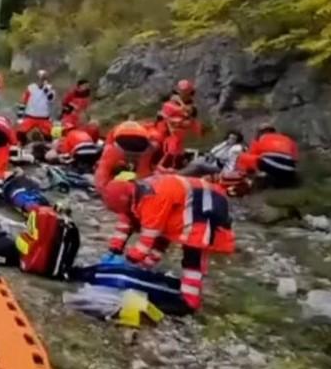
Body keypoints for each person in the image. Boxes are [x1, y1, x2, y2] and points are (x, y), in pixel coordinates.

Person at [101, 176, 236, 312]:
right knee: (163, 235)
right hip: (190, 201)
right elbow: (125, 222)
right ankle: (146, 269)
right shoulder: (134, 194)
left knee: (193, 255)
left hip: (205, 207)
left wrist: (129, 261)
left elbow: (147, 239)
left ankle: (189, 302)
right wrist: (115, 249)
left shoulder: (152, 198)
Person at [95, 120, 156, 193]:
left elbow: (107, 151)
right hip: (144, 145)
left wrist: (101, 187)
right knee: (143, 174)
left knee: (104, 172)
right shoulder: (143, 128)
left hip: (124, 142)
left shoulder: (113, 136)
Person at [156, 80, 202, 170]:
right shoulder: (170, 104)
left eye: (186, 93)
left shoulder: (190, 106)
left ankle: (172, 166)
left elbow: (190, 118)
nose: (184, 95)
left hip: (178, 134)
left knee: (176, 149)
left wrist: (182, 118)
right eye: (182, 92)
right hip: (167, 132)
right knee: (169, 147)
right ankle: (164, 165)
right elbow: (164, 116)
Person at [236, 124, 300, 187]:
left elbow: (251, 154)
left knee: (243, 157)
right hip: (290, 169)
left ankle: (246, 181)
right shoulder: (288, 139)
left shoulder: (260, 139)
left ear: (260, 132)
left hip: (270, 165)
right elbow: (295, 159)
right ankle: (281, 180)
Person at [180, 130, 245, 179]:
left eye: (233, 139)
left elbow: (232, 163)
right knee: (196, 161)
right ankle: (183, 173)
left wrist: (225, 175)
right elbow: (213, 151)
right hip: (211, 161)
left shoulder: (235, 149)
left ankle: (180, 175)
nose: (230, 140)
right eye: (229, 138)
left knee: (198, 165)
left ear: (237, 140)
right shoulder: (225, 144)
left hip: (219, 167)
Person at [17, 70, 56, 144]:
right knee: (20, 133)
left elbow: (51, 99)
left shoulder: (50, 89)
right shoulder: (30, 88)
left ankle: (47, 148)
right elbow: (23, 102)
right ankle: (24, 145)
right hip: (30, 116)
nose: (41, 81)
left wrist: (46, 89)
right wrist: (20, 118)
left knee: (50, 135)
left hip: (44, 118)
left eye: (43, 79)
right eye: (39, 78)